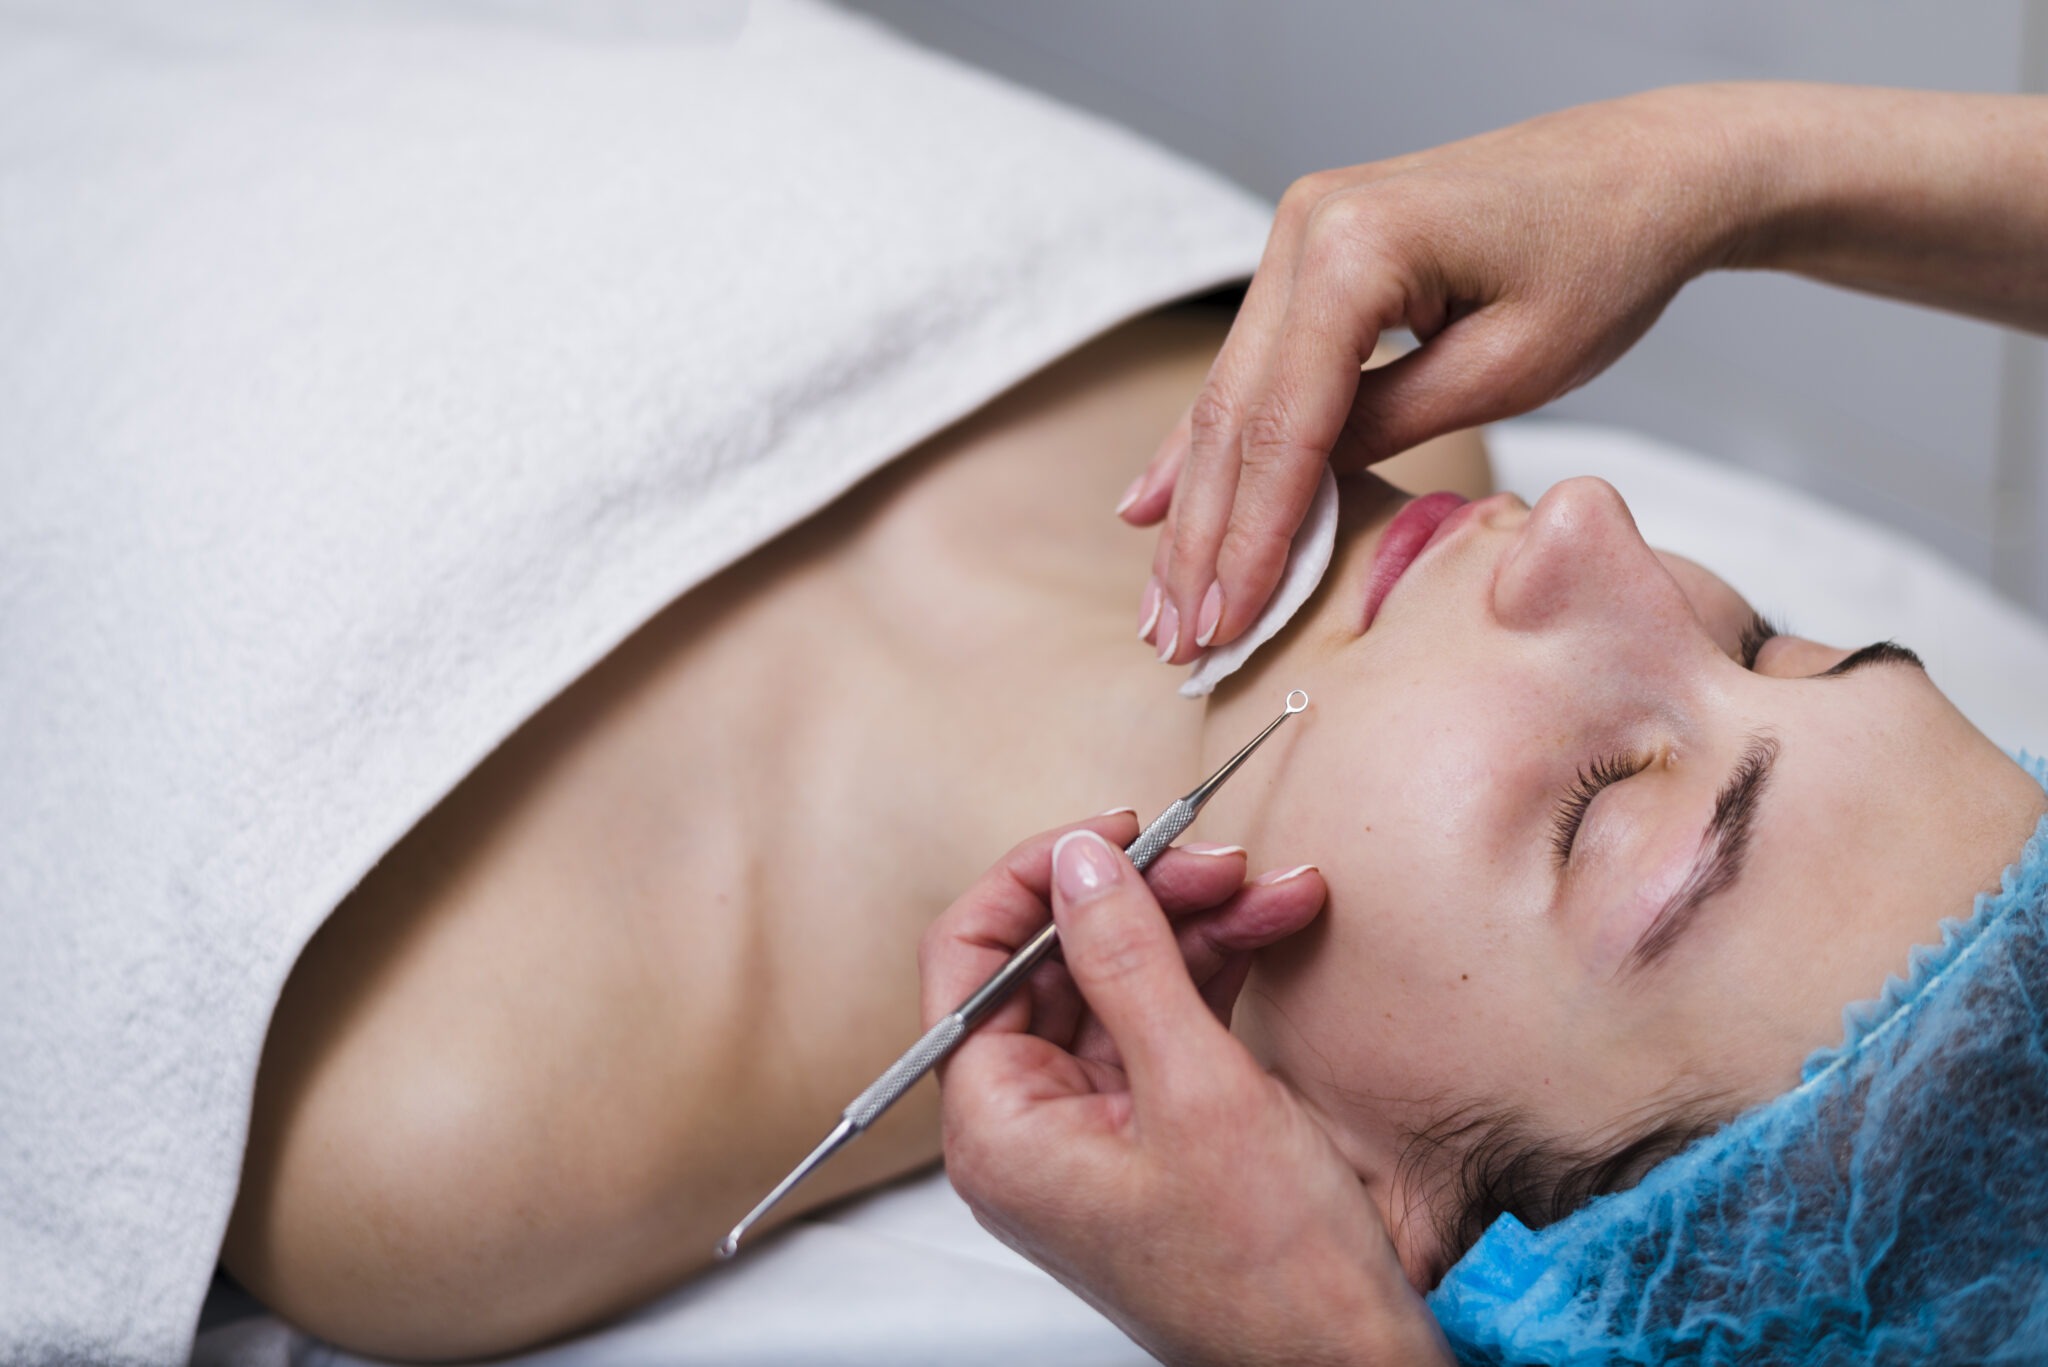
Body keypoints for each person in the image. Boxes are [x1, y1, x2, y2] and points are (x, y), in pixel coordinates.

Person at [927, 82, 2048, 1364]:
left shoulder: (659, 1041)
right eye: (1766, 643)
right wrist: (1707, 161)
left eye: (1604, 807)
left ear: (1357, 1207)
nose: (1587, 520)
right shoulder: (1413, 419)